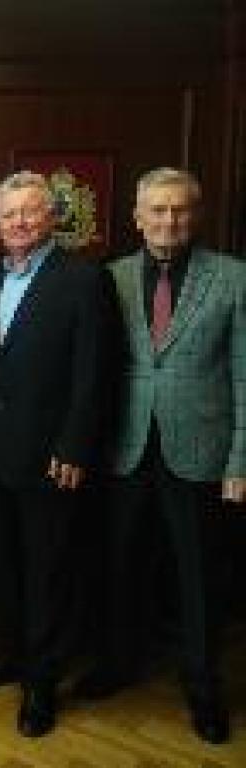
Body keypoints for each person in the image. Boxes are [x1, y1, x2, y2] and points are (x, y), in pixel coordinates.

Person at [72, 168, 245, 745]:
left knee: (199, 578)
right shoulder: (111, 277)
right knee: (118, 565)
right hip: (123, 448)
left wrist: (240, 461)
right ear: (138, 217)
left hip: (200, 452)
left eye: (180, 210)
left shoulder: (234, 278)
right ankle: (116, 664)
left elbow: (245, 376)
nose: (169, 220)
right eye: (158, 210)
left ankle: (203, 689)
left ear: (196, 214)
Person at [0, 171, 110, 737]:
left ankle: (42, 684)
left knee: (47, 571)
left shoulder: (83, 279)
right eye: (8, 214)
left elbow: (93, 372)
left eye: (29, 211)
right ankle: (9, 657)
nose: (18, 222)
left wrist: (74, 444)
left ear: (51, 217)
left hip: (52, 457)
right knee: (0, 565)